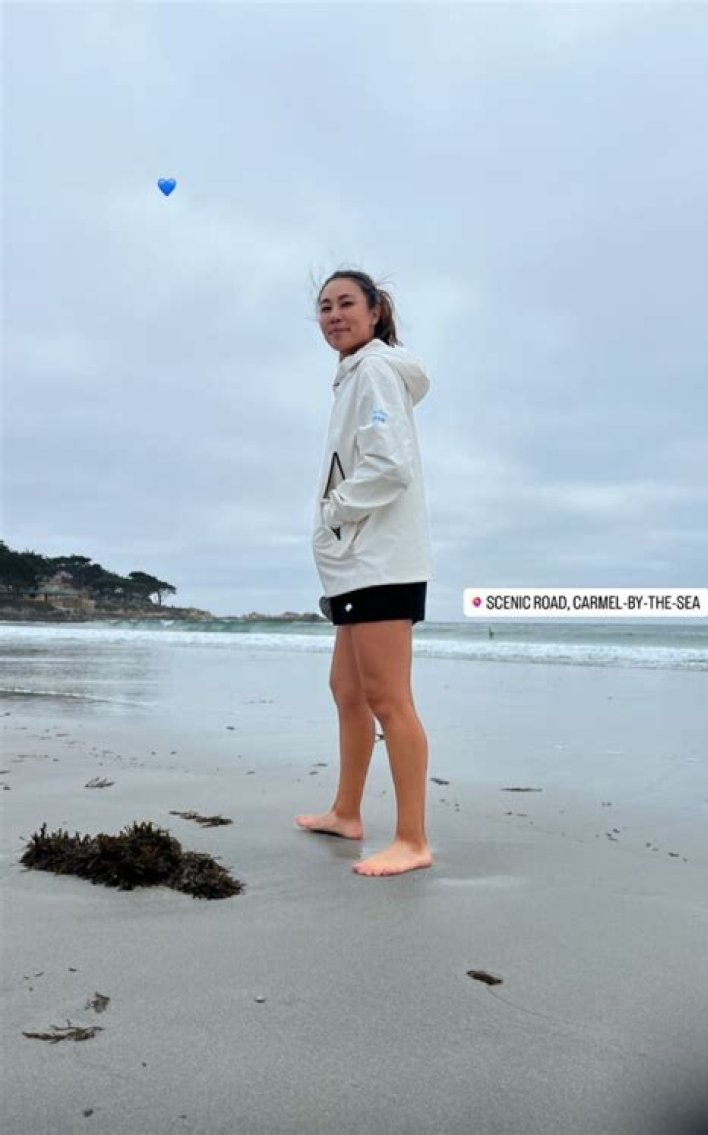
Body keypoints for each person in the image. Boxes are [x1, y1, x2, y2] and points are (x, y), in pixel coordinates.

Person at [295, 269, 433, 877]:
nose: (333, 315)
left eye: (346, 303)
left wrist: (335, 510)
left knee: (388, 700)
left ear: (376, 311)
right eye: (325, 306)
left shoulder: (375, 370)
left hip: (381, 562)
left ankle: (413, 840)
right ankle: (346, 811)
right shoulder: (353, 376)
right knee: (347, 690)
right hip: (357, 565)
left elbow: (390, 466)